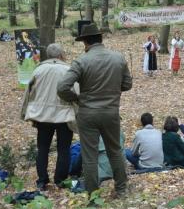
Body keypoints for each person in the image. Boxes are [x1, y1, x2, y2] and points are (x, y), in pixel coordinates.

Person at [57, 23, 132, 198]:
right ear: (101, 38)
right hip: (111, 112)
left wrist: (76, 98)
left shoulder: (81, 61)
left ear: (85, 42)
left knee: (89, 155)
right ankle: (121, 190)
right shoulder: (118, 58)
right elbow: (128, 84)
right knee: (115, 151)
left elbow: (62, 87)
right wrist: (112, 91)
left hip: (87, 114)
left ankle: (93, 195)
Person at [21, 44, 76, 190]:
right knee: (64, 148)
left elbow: (29, 92)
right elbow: (76, 92)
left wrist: (25, 112)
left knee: (43, 148)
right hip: (64, 115)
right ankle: (60, 180)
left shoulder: (38, 70)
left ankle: (42, 180)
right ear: (61, 54)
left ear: (48, 54)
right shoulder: (68, 70)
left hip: (42, 116)